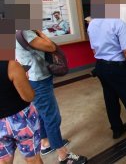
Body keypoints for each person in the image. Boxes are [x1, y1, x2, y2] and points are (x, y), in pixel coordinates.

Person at [16, 30, 87, 164]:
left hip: (30, 76)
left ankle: (46, 142)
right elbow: (51, 47)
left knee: (42, 114)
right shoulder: (25, 29)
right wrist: (40, 33)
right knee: (52, 117)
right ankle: (63, 155)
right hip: (38, 78)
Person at [0, 60, 42, 164]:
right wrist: (25, 79)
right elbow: (29, 96)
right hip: (22, 120)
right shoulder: (11, 66)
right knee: (33, 160)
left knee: (3, 160)